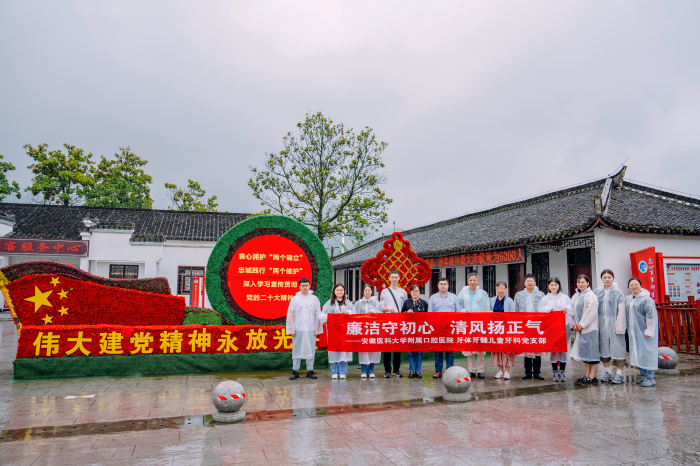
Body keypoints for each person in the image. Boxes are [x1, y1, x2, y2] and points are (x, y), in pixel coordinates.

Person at [594, 269, 627, 384]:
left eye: (609, 277)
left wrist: (620, 325)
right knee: (604, 346)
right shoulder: (597, 292)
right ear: (601, 279)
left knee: (618, 347)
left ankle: (619, 374)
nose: (607, 279)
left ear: (613, 278)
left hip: (615, 323)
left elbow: (621, 310)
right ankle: (607, 372)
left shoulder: (618, 293)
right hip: (601, 323)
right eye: (605, 277)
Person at [286, 277, 323, 380]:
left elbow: (318, 314)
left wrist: (317, 329)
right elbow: (290, 315)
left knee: (311, 349)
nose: (305, 287)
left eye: (306, 285)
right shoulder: (295, 299)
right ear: (299, 286)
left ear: (309, 286)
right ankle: (295, 370)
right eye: (303, 285)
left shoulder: (314, 299)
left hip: (311, 328)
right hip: (298, 328)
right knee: (296, 349)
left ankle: (310, 370)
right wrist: (291, 329)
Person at [538, 277, 573, 382]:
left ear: (559, 286)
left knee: (563, 349)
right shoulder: (545, 299)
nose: (554, 287)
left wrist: (568, 309)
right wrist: (548, 309)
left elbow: (572, 310)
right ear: (548, 286)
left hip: (563, 326)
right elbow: (539, 310)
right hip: (552, 327)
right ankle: (554, 372)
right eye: (551, 285)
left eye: (555, 285)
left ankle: (562, 371)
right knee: (553, 349)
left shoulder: (565, 297)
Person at [626, 278, 659, 387]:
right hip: (634, 332)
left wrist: (650, 330)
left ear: (640, 286)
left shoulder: (646, 299)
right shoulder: (628, 299)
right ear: (628, 287)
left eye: (636, 284)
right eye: (631, 285)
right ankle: (644, 375)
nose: (634, 287)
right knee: (639, 353)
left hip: (645, 332)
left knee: (648, 353)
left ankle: (650, 378)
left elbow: (651, 316)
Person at [457, 272, 490, 379]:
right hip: (467, 323)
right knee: (469, 347)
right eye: (470, 280)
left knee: (480, 347)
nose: (472, 282)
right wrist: (463, 311)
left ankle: (480, 370)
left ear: (478, 281)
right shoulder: (462, 293)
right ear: (468, 281)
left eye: (474, 280)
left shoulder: (483, 293)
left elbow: (486, 308)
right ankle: (471, 370)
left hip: (479, 323)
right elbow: (458, 306)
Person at [428, 277, 461, 378]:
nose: (443, 286)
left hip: (450, 328)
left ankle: (450, 371)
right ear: (438, 286)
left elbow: (458, 312)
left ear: (448, 286)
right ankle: (438, 371)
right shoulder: (433, 298)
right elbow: (430, 313)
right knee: (438, 351)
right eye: (441, 284)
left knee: (450, 351)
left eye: (445, 284)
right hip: (438, 328)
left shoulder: (454, 297)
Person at [514, 274, 545, 380]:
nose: (529, 283)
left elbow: (544, 309)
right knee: (526, 349)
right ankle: (527, 372)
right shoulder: (519, 295)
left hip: (537, 325)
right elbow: (516, 310)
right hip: (524, 325)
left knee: (537, 348)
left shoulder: (541, 295)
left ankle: (537, 372)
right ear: (524, 283)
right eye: (527, 281)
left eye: (531, 281)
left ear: (535, 283)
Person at [570, 274, 600, 383]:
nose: (580, 284)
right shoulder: (576, 296)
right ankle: (587, 373)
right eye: (578, 282)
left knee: (592, 351)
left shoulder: (591, 295)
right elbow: (572, 312)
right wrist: (574, 324)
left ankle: (593, 375)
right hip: (580, 329)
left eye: (583, 282)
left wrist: (582, 324)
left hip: (589, 328)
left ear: (588, 283)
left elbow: (591, 312)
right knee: (585, 352)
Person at [321, 284, 354, 379]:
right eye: (337, 290)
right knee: (334, 351)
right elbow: (322, 315)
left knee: (344, 350)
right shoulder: (329, 303)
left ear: (344, 292)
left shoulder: (348, 303)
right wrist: (329, 316)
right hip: (333, 331)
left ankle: (343, 372)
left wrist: (349, 312)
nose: (339, 292)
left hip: (345, 331)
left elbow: (355, 313)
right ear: (334, 292)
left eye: (341, 290)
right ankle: (334, 372)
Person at [379, 270, 407, 378]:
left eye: (396, 277)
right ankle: (387, 370)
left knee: (397, 348)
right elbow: (381, 306)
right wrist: (388, 309)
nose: (394, 279)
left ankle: (396, 370)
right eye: (392, 277)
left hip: (399, 322)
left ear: (399, 278)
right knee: (387, 348)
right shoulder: (385, 291)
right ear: (389, 278)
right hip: (388, 322)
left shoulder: (403, 292)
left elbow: (405, 306)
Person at [489, 281, 516, 380]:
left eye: (502, 288)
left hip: (507, 328)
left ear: (506, 289)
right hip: (496, 328)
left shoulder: (509, 300)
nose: (500, 290)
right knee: (498, 350)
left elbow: (512, 315)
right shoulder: (493, 300)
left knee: (507, 350)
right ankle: (500, 370)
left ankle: (507, 371)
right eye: (498, 288)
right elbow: (490, 312)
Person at [354, 284, 382, 379]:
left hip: (373, 329)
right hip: (362, 330)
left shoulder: (376, 303)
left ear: (371, 292)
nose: (367, 292)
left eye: (369, 290)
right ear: (363, 292)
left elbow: (380, 313)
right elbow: (354, 314)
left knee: (373, 350)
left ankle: (371, 370)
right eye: (365, 290)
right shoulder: (358, 303)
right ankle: (363, 370)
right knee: (363, 350)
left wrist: (374, 312)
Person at [401, 284, 428, 378]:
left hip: (420, 330)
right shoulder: (407, 302)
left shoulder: (424, 303)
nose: (415, 293)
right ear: (410, 292)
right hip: (410, 330)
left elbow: (428, 317)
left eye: (416, 291)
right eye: (413, 291)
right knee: (411, 351)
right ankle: (411, 371)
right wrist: (406, 313)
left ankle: (418, 371)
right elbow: (401, 315)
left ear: (419, 292)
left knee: (419, 351)